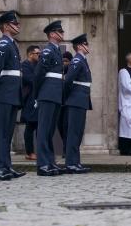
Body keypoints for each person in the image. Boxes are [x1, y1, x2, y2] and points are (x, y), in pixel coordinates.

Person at [0, 10, 26, 181]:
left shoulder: (12, 44)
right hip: (4, 93)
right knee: (0, 131)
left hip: (11, 94)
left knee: (8, 132)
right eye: (14, 23)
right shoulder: (4, 44)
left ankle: (6, 165)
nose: (17, 26)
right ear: (5, 26)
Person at [33, 20, 65, 176]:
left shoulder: (57, 50)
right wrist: (37, 95)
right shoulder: (47, 51)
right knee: (44, 130)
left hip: (55, 94)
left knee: (50, 130)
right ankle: (42, 164)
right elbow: (39, 74)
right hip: (47, 94)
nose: (63, 34)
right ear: (52, 34)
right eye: (60, 31)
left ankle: (50, 161)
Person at [62, 34, 93, 173]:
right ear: (80, 46)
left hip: (81, 100)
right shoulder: (77, 60)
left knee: (78, 132)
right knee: (74, 133)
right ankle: (70, 163)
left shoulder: (82, 60)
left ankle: (75, 162)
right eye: (86, 44)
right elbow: (68, 81)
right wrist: (69, 97)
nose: (88, 46)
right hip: (76, 100)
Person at [20, 45, 41, 160]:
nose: (39, 55)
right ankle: (29, 152)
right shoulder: (25, 65)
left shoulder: (38, 65)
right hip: (29, 100)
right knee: (30, 126)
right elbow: (30, 79)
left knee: (39, 126)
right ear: (30, 54)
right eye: (37, 53)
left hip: (38, 99)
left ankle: (40, 151)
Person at [58, 50, 74, 153]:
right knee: (60, 126)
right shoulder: (58, 72)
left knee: (67, 127)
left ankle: (67, 150)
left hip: (69, 103)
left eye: (66, 61)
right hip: (59, 103)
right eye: (62, 61)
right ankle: (65, 146)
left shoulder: (72, 72)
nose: (64, 63)